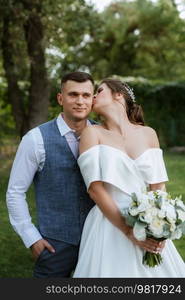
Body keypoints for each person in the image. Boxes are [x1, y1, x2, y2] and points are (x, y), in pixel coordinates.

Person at [73, 78, 185, 277]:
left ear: (118, 95)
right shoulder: (92, 133)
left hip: (148, 221)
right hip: (109, 224)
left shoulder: (149, 134)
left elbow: (158, 186)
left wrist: (160, 226)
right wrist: (128, 231)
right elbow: (94, 188)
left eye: (99, 91)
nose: (93, 97)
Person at [6, 71, 96, 278]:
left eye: (86, 95)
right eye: (73, 94)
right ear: (60, 98)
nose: (80, 101)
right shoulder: (35, 139)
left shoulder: (106, 135)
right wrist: (31, 238)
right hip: (54, 244)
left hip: (98, 239)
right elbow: (15, 192)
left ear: (93, 99)